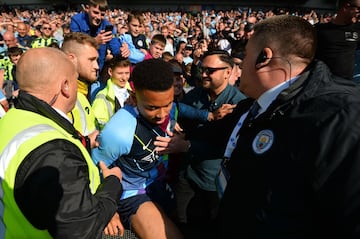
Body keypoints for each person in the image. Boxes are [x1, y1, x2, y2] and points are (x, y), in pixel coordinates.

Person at [157, 14, 360, 238]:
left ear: (263, 57)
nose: (240, 66)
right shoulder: (251, 107)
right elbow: (218, 139)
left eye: (246, 55)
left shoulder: (340, 117)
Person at [0, 47, 123, 238]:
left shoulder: (11, 119)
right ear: (65, 86)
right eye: (75, 80)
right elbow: (82, 230)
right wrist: (112, 183)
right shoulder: (55, 152)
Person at [92, 59, 183, 239]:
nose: (162, 114)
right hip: (130, 192)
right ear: (133, 98)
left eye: (168, 104)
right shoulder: (118, 132)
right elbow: (96, 168)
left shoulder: (167, 109)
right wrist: (107, 209)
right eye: (152, 108)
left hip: (158, 182)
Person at [172, 49, 246, 238]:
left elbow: (229, 146)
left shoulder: (239, 105)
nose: (203, 74)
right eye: (202, 69)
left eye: (210, 70)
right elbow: (179, 112)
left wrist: (189, 145)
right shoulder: (195, 95)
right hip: (187, 175)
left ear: (228, 72)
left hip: (213, 184)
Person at [61, 32, 100, 150]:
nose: (97, 66)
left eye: (97, 60)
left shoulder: (81, 94)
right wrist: (86, 143)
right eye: (91, 60)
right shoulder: (61, 99)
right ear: (71, 59)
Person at [315, 0, 360, 80]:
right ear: (346, 7)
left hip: (347, 85)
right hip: (322, 83)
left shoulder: (357, 29)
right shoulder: (319, 30)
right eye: (359, 9)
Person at [92, 56, 132, 129]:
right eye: (120, 73)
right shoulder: (102, 97)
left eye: (127, 73)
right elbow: (99, 128)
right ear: (110, 72)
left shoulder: (132, 93)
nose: (124, 78)